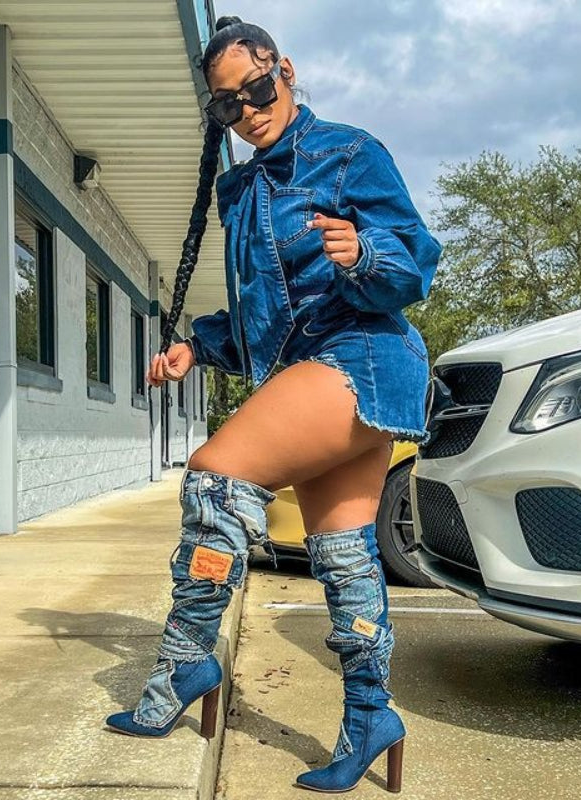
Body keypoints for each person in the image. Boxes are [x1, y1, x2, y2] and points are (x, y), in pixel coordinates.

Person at [104, 16, 442, 795]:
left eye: (257, 89)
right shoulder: (244, 188)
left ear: (283, 70)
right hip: (320, 373)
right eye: (227, 105)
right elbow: (269, 317)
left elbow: (415, 262)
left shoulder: (349, 153)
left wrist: (365, 253)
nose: (248, 112)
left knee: (215, 475)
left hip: (363, 358)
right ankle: (371, 716)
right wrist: (199, 346)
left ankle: (184, 665)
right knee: (343, 553)